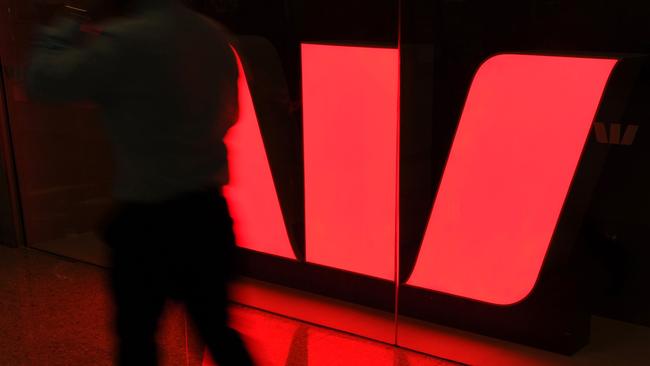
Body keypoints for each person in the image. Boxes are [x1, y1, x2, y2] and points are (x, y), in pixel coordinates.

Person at [25, 0, 254, 365]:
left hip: (149, 220)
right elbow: (230, 113)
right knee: (217, 329)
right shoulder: (213, 36)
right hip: (208, 213)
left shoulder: (126, 42)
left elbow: (43, 79)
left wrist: (71, 14)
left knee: (137, 339)